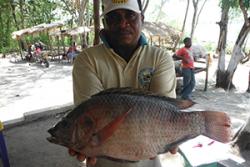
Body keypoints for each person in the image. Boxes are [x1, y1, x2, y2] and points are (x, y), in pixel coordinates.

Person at [70, 0, 178, 166]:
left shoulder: (160, 58)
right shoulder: (87, 60)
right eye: (114, 17)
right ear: (105, 22)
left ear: (141, 18)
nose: (123, 23)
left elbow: (165, 110)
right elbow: (89, 119)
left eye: (130, 16)